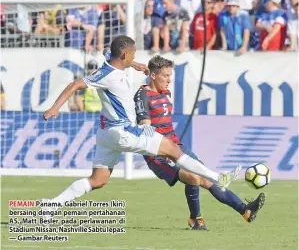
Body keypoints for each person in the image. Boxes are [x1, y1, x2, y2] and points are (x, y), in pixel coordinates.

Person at [42, 35, 240, 217]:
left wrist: (135, 64)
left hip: (106, 134)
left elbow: (113, 57)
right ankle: (218, 177)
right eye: (133, 55)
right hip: (123, 131)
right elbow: (75, 85)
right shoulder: (106, 74)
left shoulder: (114, 62)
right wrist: (54, 108)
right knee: (172, 149)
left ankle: (51, 206)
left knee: (98, 180)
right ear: (125, 54)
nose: (135, 58)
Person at [134, 55, 266, 230]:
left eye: (170, 75)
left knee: (204, 177)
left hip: (175, 146)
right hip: (157, 153)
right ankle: (197, 219)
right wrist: (152, 143)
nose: (169, 80)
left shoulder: (164, 91)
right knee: (194, 177)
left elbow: (153, 78)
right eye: (165, 76)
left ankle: (244, 211)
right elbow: (145, 126)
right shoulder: (142, 95)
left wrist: (144, 67)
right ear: (153, 76)